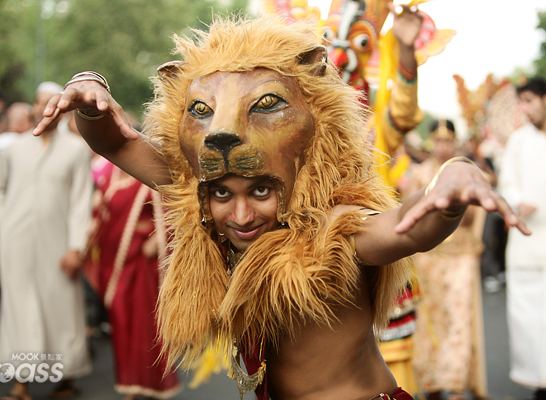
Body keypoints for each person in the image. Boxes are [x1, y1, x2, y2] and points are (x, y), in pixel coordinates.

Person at [34, 17, 529, 400]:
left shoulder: (334, 230)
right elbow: (116, 142)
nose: (242, 214)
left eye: (261, 193)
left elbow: (406, 227)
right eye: (224, 194)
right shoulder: (207, 201)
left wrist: (454, 180)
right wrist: (89, 85)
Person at [0, 82, 93, 400]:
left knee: (61, 309)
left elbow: (81, 202)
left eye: (52, 102)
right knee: (18, 309)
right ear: (33, 107)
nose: (44, 107)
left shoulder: (76, 149)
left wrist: (77, 246)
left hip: (59, 245)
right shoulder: (14, 148)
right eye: (39, 102)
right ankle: (22, 384)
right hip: (15, 244)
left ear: (64, 110)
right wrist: (2, 221)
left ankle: (67, 377)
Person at [83, 159, 181, 400]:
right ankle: (129, 380)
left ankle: (145, 383)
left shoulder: (148, 177)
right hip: (112, 259)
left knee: (142, 325)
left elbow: (171, 215)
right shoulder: (109, 178)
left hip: (141, 265)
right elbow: (98, 215)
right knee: (120, 322)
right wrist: (83, 247)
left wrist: (154, 242)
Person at [406, 120, 488, 400]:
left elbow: (477, 214)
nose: (443, 146)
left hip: (461, 254)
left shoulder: (467, 173)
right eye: (438, 141)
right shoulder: (419, 174)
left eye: (447, 141)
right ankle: (432, 382)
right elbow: (411, 213)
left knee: (458, 317)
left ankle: (455, 384)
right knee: (431, 319)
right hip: (429, 257)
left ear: (454, 142)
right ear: (431, 142)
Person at [498, 77, 546, 400]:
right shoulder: (518, 140)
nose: (524, 109)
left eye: (529, 100)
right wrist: (517, 202)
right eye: (521, 102)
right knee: (530, 321)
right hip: (527, 243)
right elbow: (506, 182)